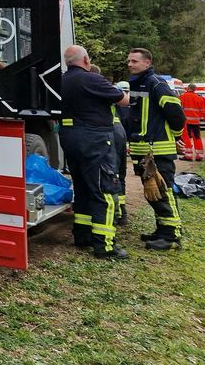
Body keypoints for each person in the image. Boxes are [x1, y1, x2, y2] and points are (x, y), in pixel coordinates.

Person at [61, 46, 131, 259]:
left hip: (69, 137)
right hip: (94, 139)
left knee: (82, 187)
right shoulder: (92, 79)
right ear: (85, 60)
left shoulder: (61, 80)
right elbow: (124, 100)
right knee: (104, 190)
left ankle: (82, 236)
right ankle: (105, 245)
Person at [125, 48, 186, 251]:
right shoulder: (139, 83)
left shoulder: (156, 83)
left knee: (163, 190)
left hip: (157, 150)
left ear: (147, 63)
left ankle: (171, 236)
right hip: (143, 150)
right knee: (153, 193)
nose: (130, 64)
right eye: (129, 61)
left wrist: (176, 136)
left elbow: (176, 113)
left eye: (134, 61)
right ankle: (162, 230)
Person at [111, 80, 130, 223]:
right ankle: (122, 213)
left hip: (110, 134)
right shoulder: (125, 102)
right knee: (120, 174)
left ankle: (116, 213)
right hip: (121, 134)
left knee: (112, 175)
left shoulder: (104, 93)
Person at [179, 83, 205, 161]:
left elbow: (179, 109)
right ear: (195, 89)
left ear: (188, 88)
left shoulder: (182, 97)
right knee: (197, 137)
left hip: (186, 121)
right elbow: (202, 111)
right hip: (196, 121)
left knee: (186, 137)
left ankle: (188, 155)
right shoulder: (200, 98)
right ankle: (199, 155)